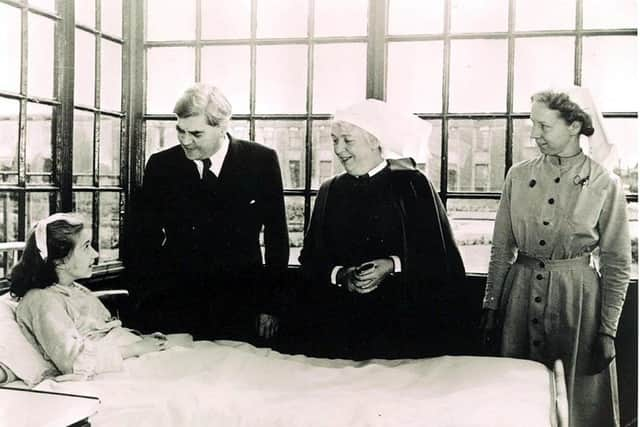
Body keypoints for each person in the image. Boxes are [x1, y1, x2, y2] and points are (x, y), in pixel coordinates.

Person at [480, 88, 631, 427]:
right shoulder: (517, 176)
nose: (534, 134)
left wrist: (607, 330)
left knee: (574, 406)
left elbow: (617, 263)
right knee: (516, 400)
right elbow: (502, 248)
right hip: (518, 302)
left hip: (577, 305)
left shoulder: (605, 184)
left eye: (544, 126)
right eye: (533, 124)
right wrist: (492, 307)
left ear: (574, 125)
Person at [298, 99, 466, 360]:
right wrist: (342, 275)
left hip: (401, 330)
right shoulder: (329, 190)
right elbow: (310, 259)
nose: (339, 149)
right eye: (334, 140)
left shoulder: (412, 184)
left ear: (376, 141)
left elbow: (440, 257)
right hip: (340, 332)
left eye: (347, 140)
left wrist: (392, 264)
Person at [130, 83, 289, 343]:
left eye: (196, 133)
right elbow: (142, 238)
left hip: (240, 304)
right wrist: (147, 296)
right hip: (176, 304)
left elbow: (277, 239)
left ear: (222, 127)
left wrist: (271, 305)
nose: (184, 140)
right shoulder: (161, 166)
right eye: (180, 130)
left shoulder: (261, 162)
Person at [10, 213, 168, 379]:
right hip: (109, 372)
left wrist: (140, 340)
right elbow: (75, 363)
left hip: (128, 356)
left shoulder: (74, 289)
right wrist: (137, 348)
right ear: (59, 261)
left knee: (188, 349)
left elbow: (101, 330)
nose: (95, 254)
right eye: (86, 247)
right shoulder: (42, 301)